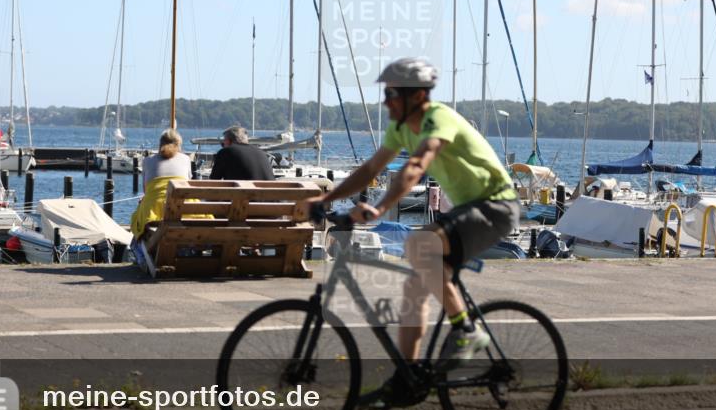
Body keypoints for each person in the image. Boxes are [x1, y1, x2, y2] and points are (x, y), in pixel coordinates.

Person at [297, 57, 518, 377]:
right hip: (468, 209)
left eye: (392, 95)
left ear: (417, 97)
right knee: (415, 290)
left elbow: (415, 166)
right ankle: (408, 376)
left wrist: (380, 208)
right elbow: (371, 169)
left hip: (496, 205)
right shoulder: (401, 128)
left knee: (418, 244)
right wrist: (327, 198)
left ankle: (466, 330)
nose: (386, 103)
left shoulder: (438, 119)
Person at [130, 129, 192, 237]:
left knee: (136, 217)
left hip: (155, 211)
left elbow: (146, 190)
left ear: (160, 144)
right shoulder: (186, 159)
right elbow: (188, 184)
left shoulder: (147, 161)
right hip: (184, 209)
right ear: (178, 145)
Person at [210, 125, 275, 181]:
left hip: (243, 194)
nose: (223, 145)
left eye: (223, 143)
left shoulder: (226, 152)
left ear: (228, 141)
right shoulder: (262, 153)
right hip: (270, 194)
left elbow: (214, 180)